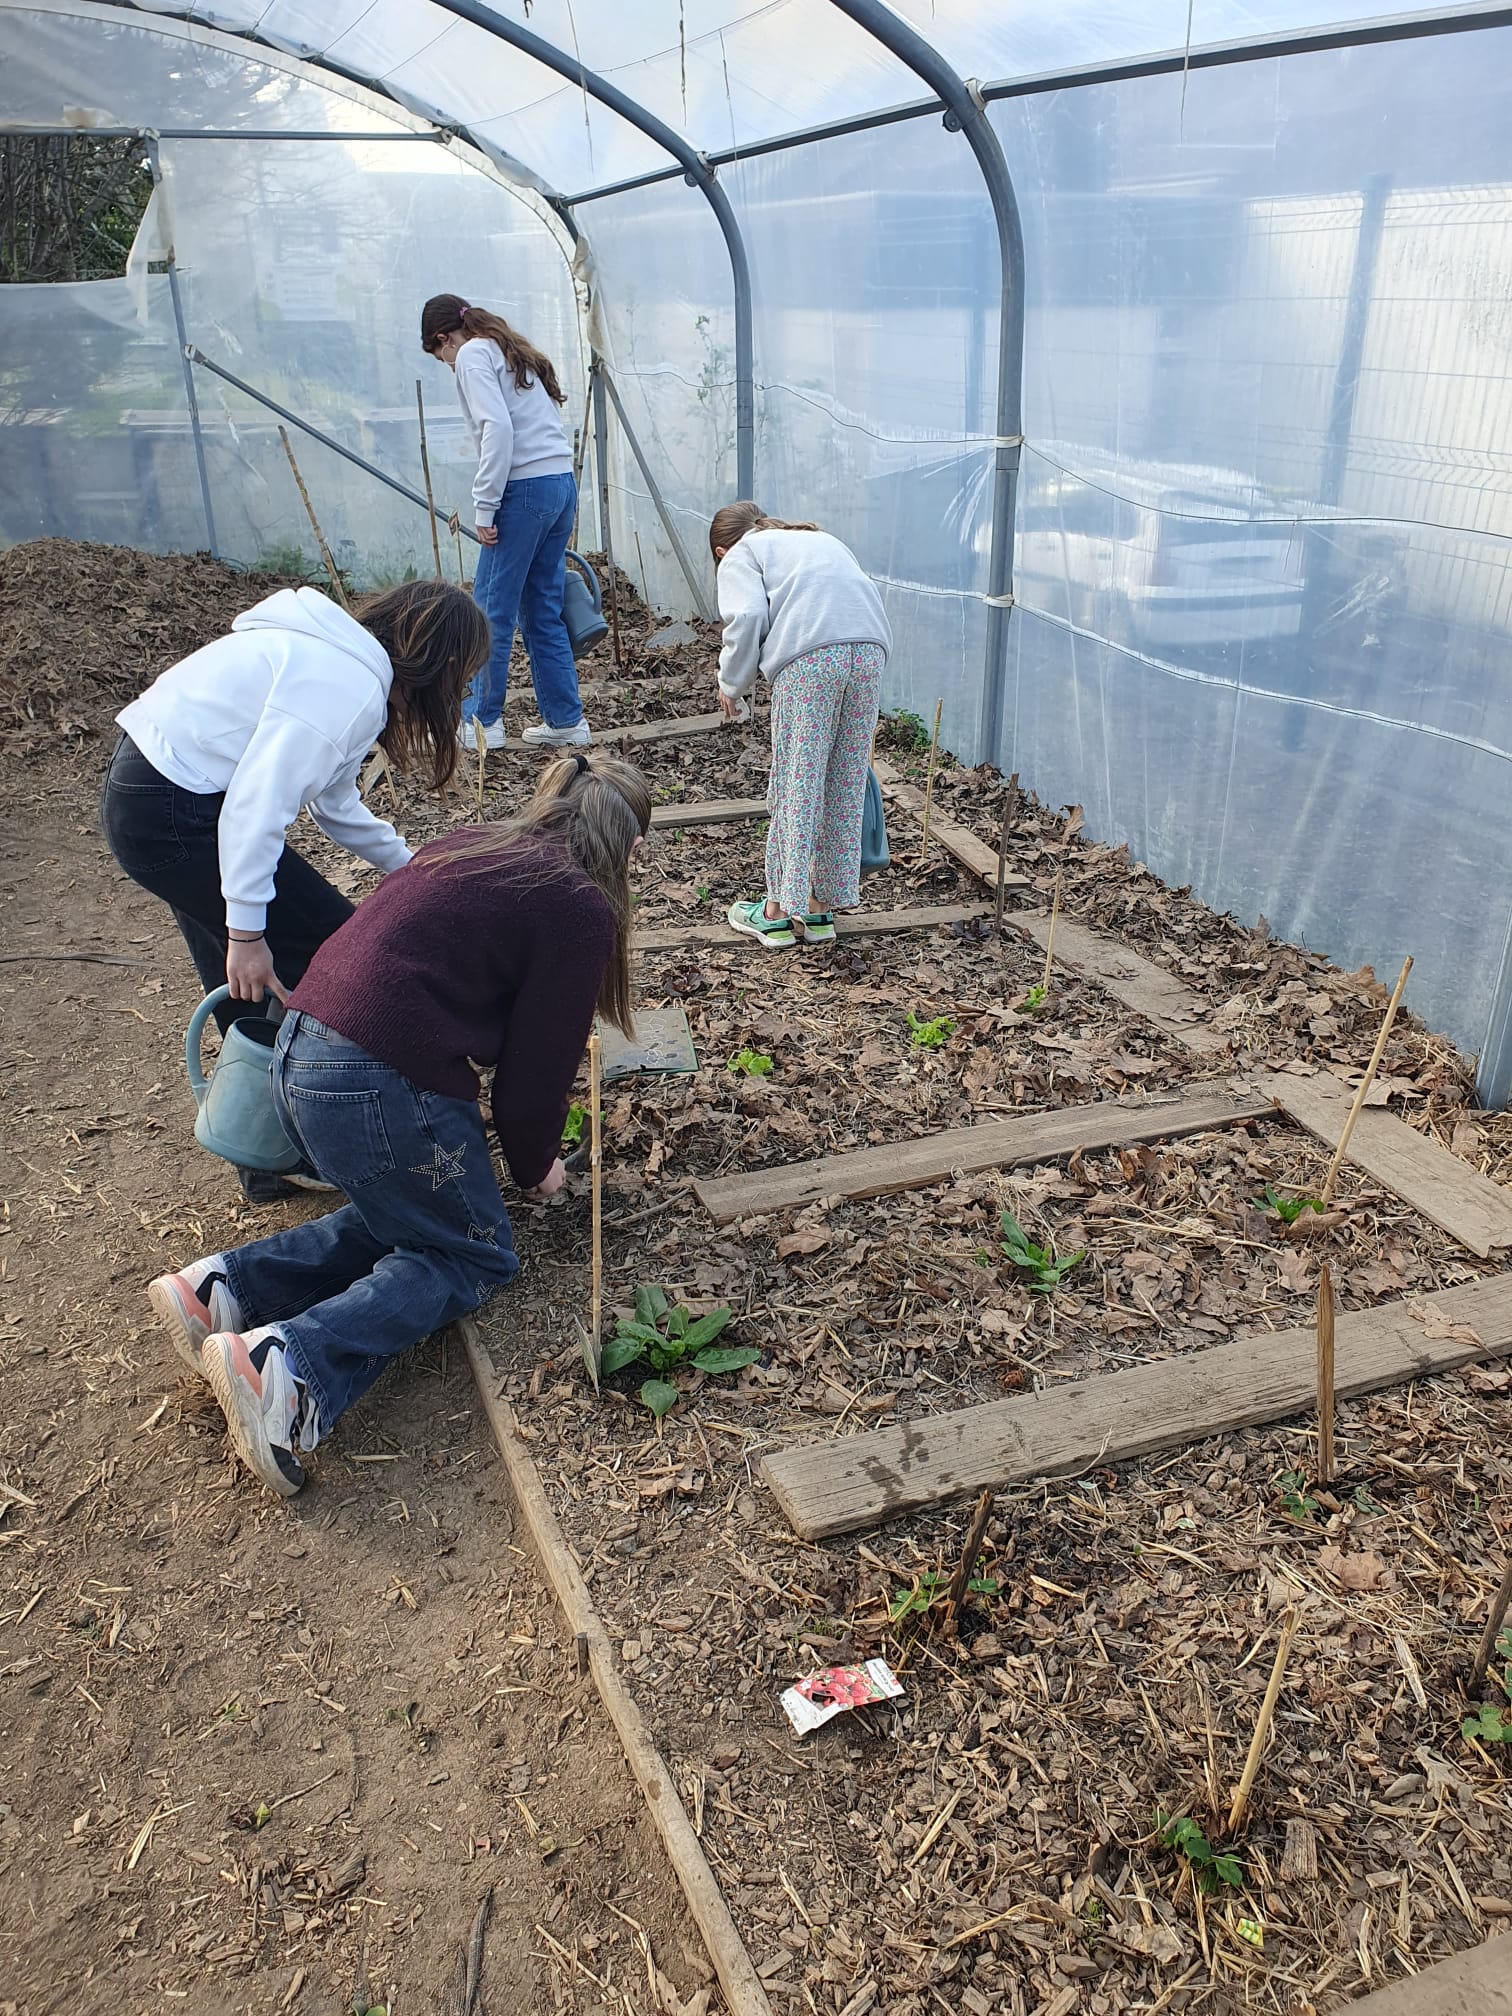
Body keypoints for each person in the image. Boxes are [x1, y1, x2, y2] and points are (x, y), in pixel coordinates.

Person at [145, 751, 652, 1499]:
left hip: (301, 1050)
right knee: (470, 1254)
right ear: (628, 844)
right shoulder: (577, 904)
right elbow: (534, 1072)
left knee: (411, 1209)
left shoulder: (476, 845)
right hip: (374, 1080)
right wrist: (537, 1162)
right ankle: (284, 1369)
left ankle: (221, 1289)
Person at [102, 579, 488, 1201]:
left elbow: (335, 804)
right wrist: (246, 931)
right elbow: (256, 807)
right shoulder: (347, 685)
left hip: (157, 794)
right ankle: (323, 1134)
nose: (459, 693)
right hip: (175, 811)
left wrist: (414, 870)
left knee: (248, 978)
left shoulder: (337, 662)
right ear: (440, 664)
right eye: (462, 679)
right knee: (336, 952)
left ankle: (265, 1152)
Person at [710, 502, 892, 949]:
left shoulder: (740, 554)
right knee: (844, 781)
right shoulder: (816, 539)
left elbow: (746, 617)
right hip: (869, 652)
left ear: (719, 551)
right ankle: (818, 909)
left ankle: (775, 913)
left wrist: (731, 685)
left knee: (798, 781)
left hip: (812, 659)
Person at [421, 293, 591, 750]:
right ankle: (566, 720)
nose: (447, 365)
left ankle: (481, 723)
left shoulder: (472, 353)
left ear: (445, 339)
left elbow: (497, 428)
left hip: (524, 489)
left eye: (440, 357)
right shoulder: (508, 349)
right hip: (559, 483)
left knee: (488, 610)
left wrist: (485, 506)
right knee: (542, 607)